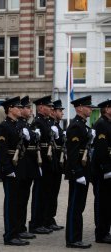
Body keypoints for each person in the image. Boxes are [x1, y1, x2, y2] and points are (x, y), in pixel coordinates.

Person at [0, 96, 29, 246]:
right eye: (17, 107)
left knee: (18, 203)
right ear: (10, 109)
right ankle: (9, 235)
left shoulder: (16, 126)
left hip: (20, 168)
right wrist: (7, 169)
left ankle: (16, 232)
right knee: (11, 203)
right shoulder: (3, 127)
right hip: (11, 170)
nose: (20, 109)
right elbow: (2, 151)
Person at [64, 95, 95, 249]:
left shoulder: (83, 125)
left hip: (84, 170)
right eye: (88, 107)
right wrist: (77, 172)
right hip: (78, 172)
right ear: (79, 108)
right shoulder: (76, 126)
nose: (90, 109)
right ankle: (72, 239)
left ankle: (76, 237)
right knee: (75, 207)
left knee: (79, 206)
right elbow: (73, 153)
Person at [29, 95, 55, 235]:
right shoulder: (37, 122)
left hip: (48, 161)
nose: (50, 108)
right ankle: (35, 223)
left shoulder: (47, 121)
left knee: (46, 193)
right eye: (48, 106)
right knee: (39, 194)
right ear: (40, 107)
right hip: (41, 161)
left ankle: (44, 221)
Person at [16, 96, 40, 240]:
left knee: (24, 199)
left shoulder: (26, 124)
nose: (30, 110)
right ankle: (18, 228)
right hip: (21, 167)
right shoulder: (19, 125)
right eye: (27, 108)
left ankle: (21, 227)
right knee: (19, 200)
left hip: (28, 167)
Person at [91, 99, 111, 244]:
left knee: (108, 204)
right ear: (107, 109)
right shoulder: (101, 124)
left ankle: (105, 231)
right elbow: (101, 150)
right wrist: (106, 169)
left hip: (108, 169)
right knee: (102, 203)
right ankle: (101, 234)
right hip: (102, 171)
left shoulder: (108, 123)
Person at [47, 99, 65, 231]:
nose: (62, 113)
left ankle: (50, 218)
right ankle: (44, 219)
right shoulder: (49, 124)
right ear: (53, 112)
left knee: (54, 192)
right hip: (50, 162)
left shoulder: (57, 125)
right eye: (60, 110)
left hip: (57, 163)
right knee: (48, 193)